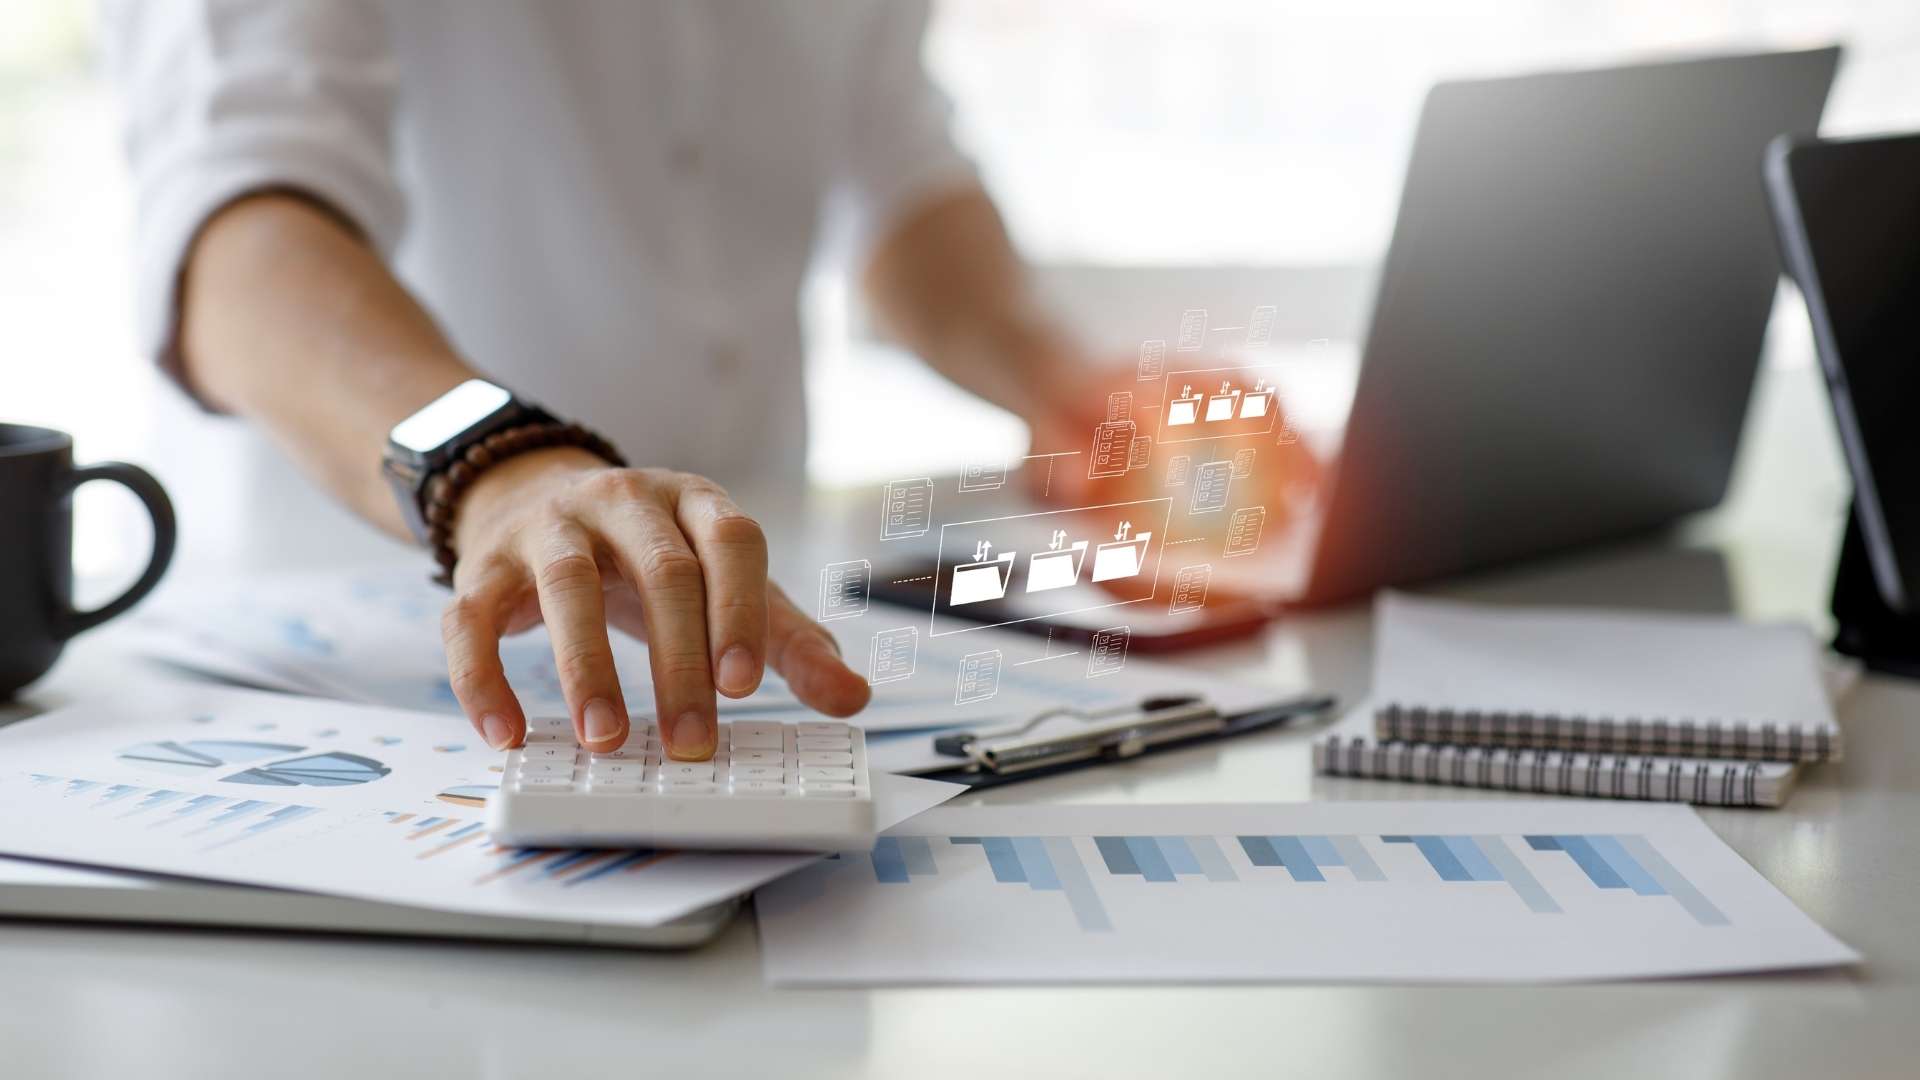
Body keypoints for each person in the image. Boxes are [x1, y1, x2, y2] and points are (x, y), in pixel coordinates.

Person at [100, 1, 1125, 762]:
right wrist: (495, 468)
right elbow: (236, 249)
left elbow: (905, 177)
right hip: (341, 668)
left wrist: (1089, 401)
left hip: (755, 635)